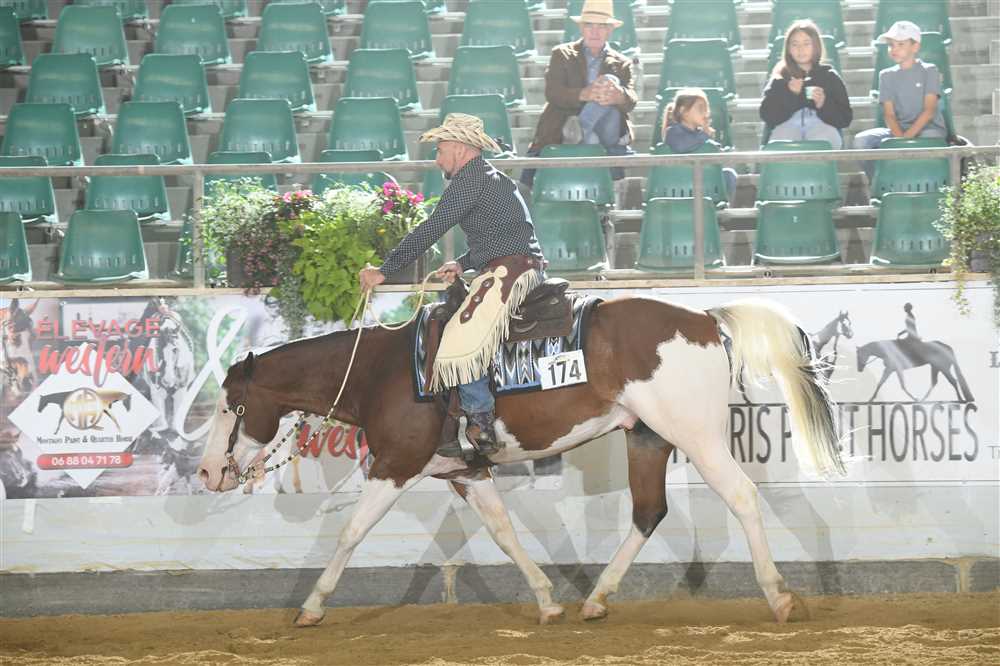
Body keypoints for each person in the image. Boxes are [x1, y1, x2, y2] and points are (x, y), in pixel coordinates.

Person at [359, 114, 545, 456]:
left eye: (440, 149)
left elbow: (431, 229)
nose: (437, 159)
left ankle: (480, 419)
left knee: (460, 335)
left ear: (459, 149)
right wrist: (462, 263)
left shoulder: (470, 180)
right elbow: (501, 236)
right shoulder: (487, 177)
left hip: (513, 271)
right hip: (515, 265)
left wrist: (385, 271)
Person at [521, 0, 638, 186]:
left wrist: (619, 96)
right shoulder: (562, 54)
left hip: (604, 129)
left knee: (611, 83)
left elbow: (631, 100)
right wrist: (585, 94)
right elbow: (553, 93)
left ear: (610, 30)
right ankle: (586, 135)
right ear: (581, 28)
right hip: (566, 122)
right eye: (589, 25)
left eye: (601, 26)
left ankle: (581, 128)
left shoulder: (622, 63)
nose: (595, 31)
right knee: (592, 139)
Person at [853, 21, 948, 183]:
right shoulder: (886, 75)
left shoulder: (929, 70)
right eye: (891, 45)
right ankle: (880, 183)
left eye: (901, 44)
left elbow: (929, 111)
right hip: (898, 131)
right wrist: (900, 139)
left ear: (915, 47)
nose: (894, 49)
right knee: (861, 141)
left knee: (929, 138)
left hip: (928, 129)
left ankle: (926, 183)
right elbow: (889, 114)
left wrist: (906, 139)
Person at [760, 19, 852, 149]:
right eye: (795, 44)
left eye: (806, 44)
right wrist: (791, 95)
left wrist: (823, 104)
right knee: (780, 146)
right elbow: (768, 116)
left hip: (822, 126)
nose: (800, 49)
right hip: (787, 126)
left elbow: (845, 119)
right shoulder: (780, 78)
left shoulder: (829, 76)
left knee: (825, 142)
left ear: (816, 46)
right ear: (788, 49)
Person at [660, 87, 738, 202]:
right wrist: (705, 135)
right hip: (679, 186)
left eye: (706, 109)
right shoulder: (672, 132)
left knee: (729, 174)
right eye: (701, 108)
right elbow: (682, 146)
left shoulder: (701, 135)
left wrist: (710, 142)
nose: (705, 113)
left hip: (705, 185)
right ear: (683, 111)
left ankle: (721, 206)